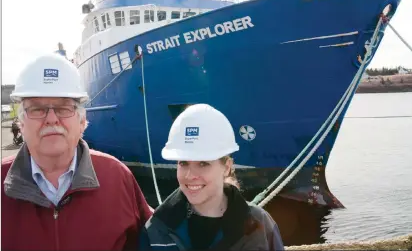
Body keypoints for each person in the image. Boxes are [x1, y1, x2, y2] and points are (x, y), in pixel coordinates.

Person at [1, 53, 153, 251]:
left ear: (82, 122)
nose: (52, 119)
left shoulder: (117, 176)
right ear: (21, 123)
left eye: (64, 108)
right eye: (37, 109)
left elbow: (156, 238)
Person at [139, 104, 284, 250]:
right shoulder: (156, 231)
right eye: (183, 163)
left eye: (203, 163)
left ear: (226, 167)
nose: (190, 175)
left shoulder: (260, 226)